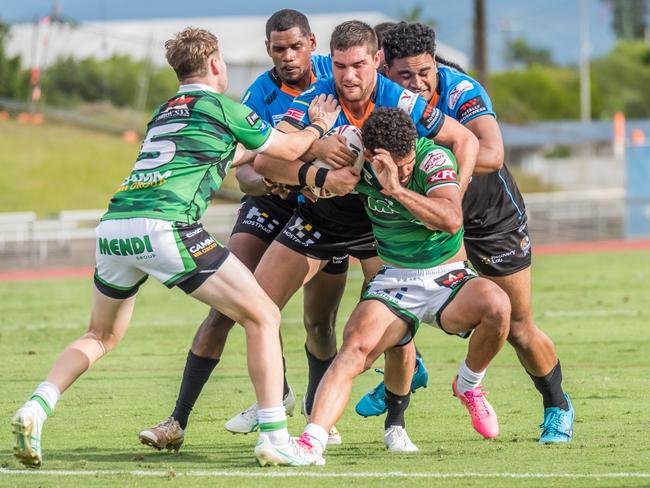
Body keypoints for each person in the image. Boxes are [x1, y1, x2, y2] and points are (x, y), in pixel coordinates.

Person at [11, 27, 341, 469]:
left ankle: (36, 406)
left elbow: (230, 154)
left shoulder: (165, 111)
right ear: (216, 66)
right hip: (165, 225)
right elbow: (290, 147)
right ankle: (275, 437)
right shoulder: (222, 106)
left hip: (114, 227)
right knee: (263, 314)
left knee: (100, 335)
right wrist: (318, 123)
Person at [243, 20, 478, 463]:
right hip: (321, 216)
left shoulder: (399, 98)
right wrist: (318, 164)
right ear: (328, 61)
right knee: (257, 306)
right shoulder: (318, 99)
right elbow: (263, 163)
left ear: (376, 62)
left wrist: (452, 196)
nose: (348, 76)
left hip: (377, 224)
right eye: (338, 65)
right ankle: (274, 422)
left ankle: (396, 425)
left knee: (396, 331)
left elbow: (463, 138)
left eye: (357, 65)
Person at [138, 9, 355, 452]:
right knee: (227, 308)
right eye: (279, 49)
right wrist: (289, 176)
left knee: (320, 323)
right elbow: (248, 176)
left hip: (325, 214)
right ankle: (177, 420)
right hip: (271, 205)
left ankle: (319, 413)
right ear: (267, 50)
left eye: (296, 46)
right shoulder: (257, 95)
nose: (289, 56)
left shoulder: (337, 81)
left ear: (312, 42)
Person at [356, 21, 574, 444]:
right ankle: (408, 364)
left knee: (516, 324)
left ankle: (557, 406)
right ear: (385, 70)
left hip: (486, 214)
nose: (418, 83)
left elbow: (492, 151)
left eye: (426, 72)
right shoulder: (376, 94)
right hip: (417, 214)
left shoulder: (459, 90)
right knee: (386, 294)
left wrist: (451, 185)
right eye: (406, 76)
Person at [287, 107, 511, 464]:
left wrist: (395, 188)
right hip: (394, 279)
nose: (406, 171)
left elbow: (452, 220)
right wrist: (315, 159)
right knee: (354, 346)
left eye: (408, 164)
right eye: (397, 166)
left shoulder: (432, 158)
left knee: (498, 305)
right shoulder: (356, 154)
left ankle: (468, 384)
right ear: (373, 155)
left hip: (447, 275)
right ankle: (311, 442)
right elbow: (272, 161)